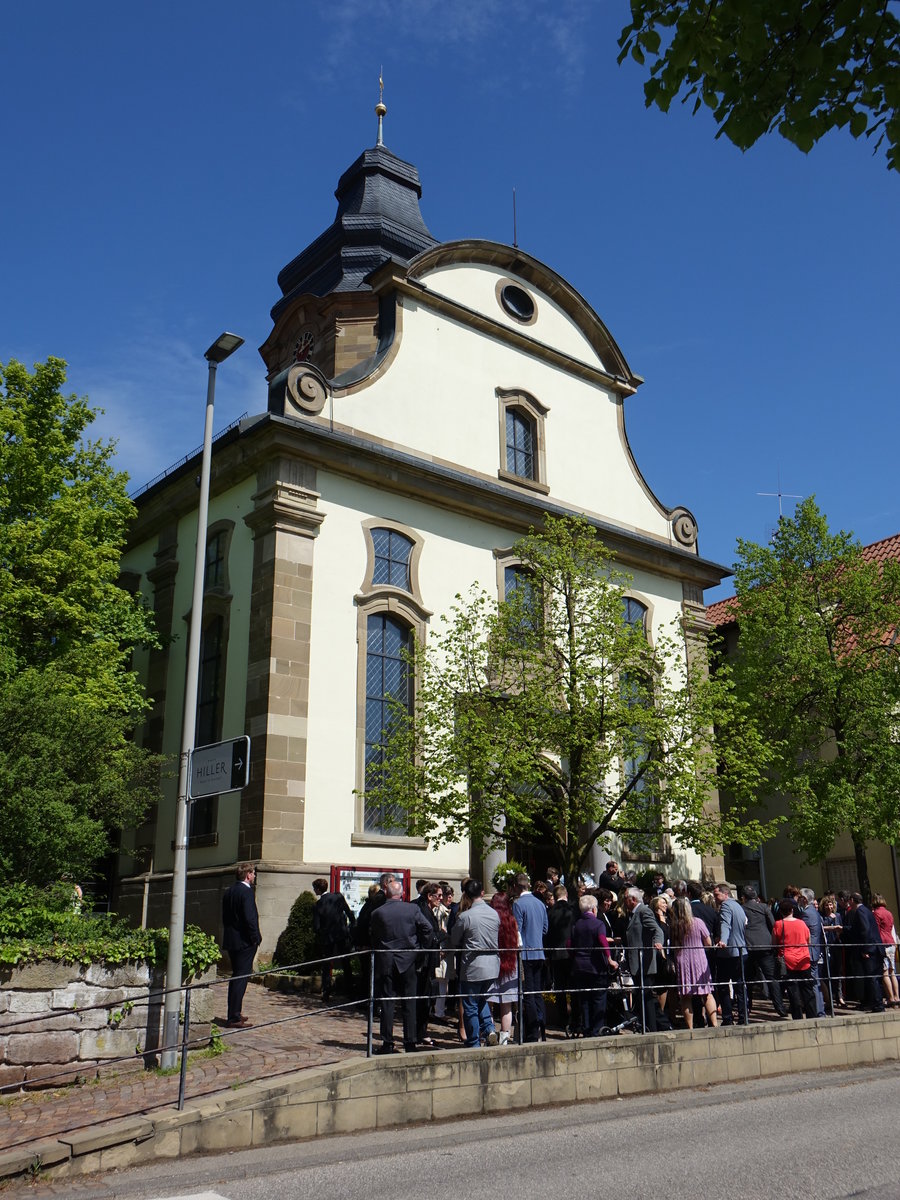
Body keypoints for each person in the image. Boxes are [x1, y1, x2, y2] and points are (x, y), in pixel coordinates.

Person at [369, 878, 436, 1054]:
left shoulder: (378, 913)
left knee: (388, 1003)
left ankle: (387, 1043)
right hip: (408, 960)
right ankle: (410, 1042)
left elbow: (374, 936)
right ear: (402, 894)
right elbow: (428, 929)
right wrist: (421, 949)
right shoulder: (412, 909)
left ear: (387, 893)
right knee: (409, 1003)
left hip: (388, 960)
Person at [450, 879, 501, 1047]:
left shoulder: (466, 916)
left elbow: (454, 939)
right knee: (482, 1000)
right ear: (482, 892)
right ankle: (490, 1029)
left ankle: (473, 1041)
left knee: (470, 1004)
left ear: (466, 894)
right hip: (492, 965)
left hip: (473, 966)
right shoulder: (494, 914)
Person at [568, 894, 618, 1035]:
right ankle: (597, 1030)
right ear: (594, 909)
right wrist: (610, 960)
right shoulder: (598, 924)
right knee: (598, 998)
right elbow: (603, 942)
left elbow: (569, 944)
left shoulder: (576, 924)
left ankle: (586, 1029)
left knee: (584, 999)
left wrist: (575, 957)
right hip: (596, 967)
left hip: (579, 967)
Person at [623, 886, 671, 1032]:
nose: (623, 900)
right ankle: (662, 1024)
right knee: (646, 996)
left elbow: (657, 929)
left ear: (632, 899)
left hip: (644, 963)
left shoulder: (643, 911)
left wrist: (658, 942)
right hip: (637, 962)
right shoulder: (633, 913)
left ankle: (652, 1027)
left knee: (647, 997)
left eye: (625, 897)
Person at [222, 862, 262, 1028]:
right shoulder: (246, 892)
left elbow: (225, 917)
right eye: (253, 874)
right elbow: (250, 918)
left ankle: (235, 1011)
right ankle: (233, 1017)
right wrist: (255, 938)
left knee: (236, 976)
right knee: (241, 978)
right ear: (248, 875)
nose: (254, 877)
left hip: (232, 939)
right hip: (245, 941)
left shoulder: (229, 891)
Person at [668, 897, 716, 1029]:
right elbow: (708, 943)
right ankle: (715, 1024)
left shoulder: (674, 925)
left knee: (686, 996)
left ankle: (690, 1027)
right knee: (706, 993)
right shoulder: (698, 922)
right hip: (699, 959)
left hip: (682, 960)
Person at [740, 885, 787, 1019]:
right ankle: (780, 1007)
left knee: (747, 980)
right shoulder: (764, 907)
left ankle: (746, 1009)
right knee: (772, 978)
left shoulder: (742, 908)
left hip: (748, 946)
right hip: (766, 945)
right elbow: (773, 925)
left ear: (743, 897)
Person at [513, 873, 549, 1042]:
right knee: (537, 993)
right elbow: (544, 929)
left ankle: (532, 1032)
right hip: (539, 952)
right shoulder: (540, 904)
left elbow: (517, 932)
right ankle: (542, 1029)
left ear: (517, 887)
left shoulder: (519, 904)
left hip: (526, 954)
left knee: (528, 994)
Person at [311, 877, 356, 1002]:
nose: (314, 891)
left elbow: (316, 926)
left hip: (328, 937)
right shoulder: (338, 897)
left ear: (319, 889)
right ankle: (350, 991)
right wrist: (351, 926)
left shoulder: (318, 905)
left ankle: (326, 992)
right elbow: (349, 912)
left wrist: (321, 933)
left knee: (327, 964)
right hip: (341, 934)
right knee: (346, 963)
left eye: (315, 888)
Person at [772, 898, 817, 1019]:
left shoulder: (778, 924)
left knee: (793, 990)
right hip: (804, 959)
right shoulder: (801, 923)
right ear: (792, 910)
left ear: (781, 912)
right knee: (807, 989)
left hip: (787, 960)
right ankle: (812, 1015)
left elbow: (774, 943)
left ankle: (797, 1017)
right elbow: (808, 940)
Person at [844, 893, 886, 1013]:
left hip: (871, 950)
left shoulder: (860, 911)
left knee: (872, 978)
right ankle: (874, 1003)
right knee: (874, 978)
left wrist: (865, 949)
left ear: (852, 900)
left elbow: (865, 930)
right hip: (876, 948)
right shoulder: (867, 910)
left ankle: (878, 1005)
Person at [488, 888, 520, 1044]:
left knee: (488, 1001)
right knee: (506, 1005)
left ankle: (489, 1033)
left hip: (492, 964)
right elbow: (519, 943)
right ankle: (504, 1038)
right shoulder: (512, 920)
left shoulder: (490, 919)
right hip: (509, 965)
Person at [713, 883, 748, 1026]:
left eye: (717, 895)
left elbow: (725, 924)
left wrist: (723, 940)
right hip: (741, 950)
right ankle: (743, 1016)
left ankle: (727, 1018)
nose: (715, 898)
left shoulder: (726, 906)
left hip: (729, 952)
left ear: (725, 894)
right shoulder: (738, 906)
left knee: (723, 985)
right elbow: (745, 923)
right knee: (740, 985)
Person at [545, 884, 578, 1034]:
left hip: (556, 954)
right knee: (574, 987)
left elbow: (547, 933)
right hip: (571, 953)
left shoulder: (550, 912)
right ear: (566, 895)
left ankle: (562, 1019)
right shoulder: (572, 910)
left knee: (560, 989)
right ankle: (576, 1020)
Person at [797, 888, 826, 1016]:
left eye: (799, 897)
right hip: (815, 950)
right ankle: (819, 1010)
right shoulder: (814, 912)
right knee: (815, 982)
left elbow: (803, 932)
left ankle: (818, 1011)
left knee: (813, 982)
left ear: (804, 899)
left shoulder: (807, 913)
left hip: (810, 952)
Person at [870, 894, 900, 1008]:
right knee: (893, 971)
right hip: (891, 943)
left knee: (885, 972)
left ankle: (891, 998)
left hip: (882, 943)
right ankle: (897, 996)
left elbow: (876, 930)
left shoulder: (876, 913)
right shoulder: (889, 913)